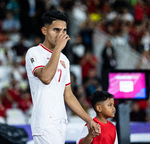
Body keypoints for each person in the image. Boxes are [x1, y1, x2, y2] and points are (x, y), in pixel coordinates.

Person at [25, 10, 100, 144]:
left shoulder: (64, 59)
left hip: (60, 121)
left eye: (64, 30)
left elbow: (68, 95)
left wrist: (89, 120)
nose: (61, 34)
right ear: (44, 30)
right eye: (56, 30)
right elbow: (46, 78)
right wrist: (58, 49)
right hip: (44, 122)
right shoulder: (34, 52)